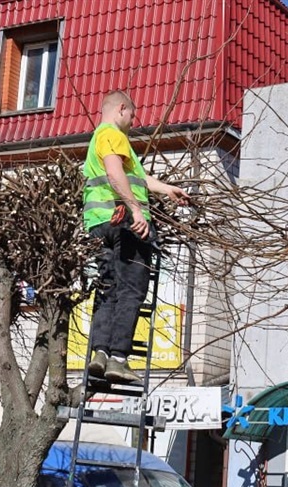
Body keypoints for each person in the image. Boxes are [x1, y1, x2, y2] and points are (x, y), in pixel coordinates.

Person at [83, 90, 189, 383]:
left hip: (99, 224)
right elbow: (115, 173)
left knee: (108, 290)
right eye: (132, 115)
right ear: (121, 109)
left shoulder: (97, 140)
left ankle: (100, 354)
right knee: (131, 290)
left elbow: (135, 177)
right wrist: (136, 210)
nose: (133, 121)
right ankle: (119, 359)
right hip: (125, 222)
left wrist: (166, 189)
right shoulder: (113, 135)